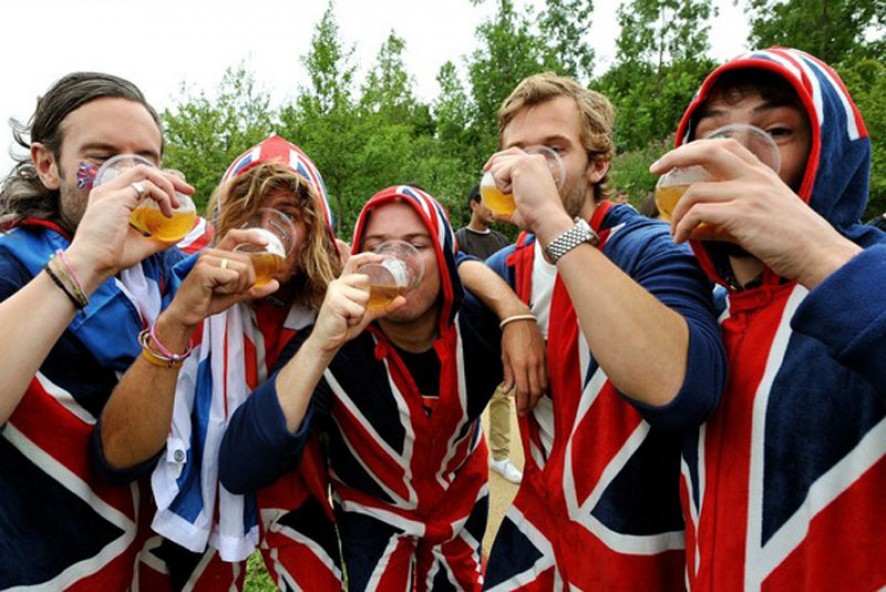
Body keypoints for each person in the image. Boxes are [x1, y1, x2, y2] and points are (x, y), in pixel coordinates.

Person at [219, 185, 542, 590]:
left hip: (463, 507)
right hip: (373, 521)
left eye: (416, 244)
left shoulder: (481, 323)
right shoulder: (334, 345)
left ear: (445, 256)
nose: (395, 260)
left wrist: (515, 315)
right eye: (377, 247)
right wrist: (321, 345)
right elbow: (240, 467)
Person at [650, 47, 886, 590]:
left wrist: (818, 256)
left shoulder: (866, 279)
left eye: (775, 132)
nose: (734, 160)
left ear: (829, 155)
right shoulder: (703, 311)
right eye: (713, 137)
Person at [481, 72, 727, 590]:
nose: (530, 169)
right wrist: (511, 311)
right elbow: (450, 269)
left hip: (634, 539)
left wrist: (551, 220)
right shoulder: (508, 268)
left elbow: (685, 390)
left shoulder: (648, 247)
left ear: (598, 164)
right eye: (518, 154)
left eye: (553, 150)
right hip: (539, 530)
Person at [93, 134, 345, 590]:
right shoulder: (190, 281)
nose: (266, 231)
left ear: (313, 227)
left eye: (287, 214)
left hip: (293, 474)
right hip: (197, 465)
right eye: (250, 215)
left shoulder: (329, 299)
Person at [0, 72, 193, 589]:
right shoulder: (12, 264)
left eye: (145, 160)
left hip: (153, 561)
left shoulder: (169, 269)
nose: (130, 177)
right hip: (48, 566)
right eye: (102, 157)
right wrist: (85, 263)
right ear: (47, 165)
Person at [455, 184, 523, 484]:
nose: (494, 209)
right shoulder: (459, 239)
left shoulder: (499, 240)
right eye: (487, 202)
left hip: (500, 327)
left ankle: (500, 455)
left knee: (502, 395)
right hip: (469, 331)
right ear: (474, 204)